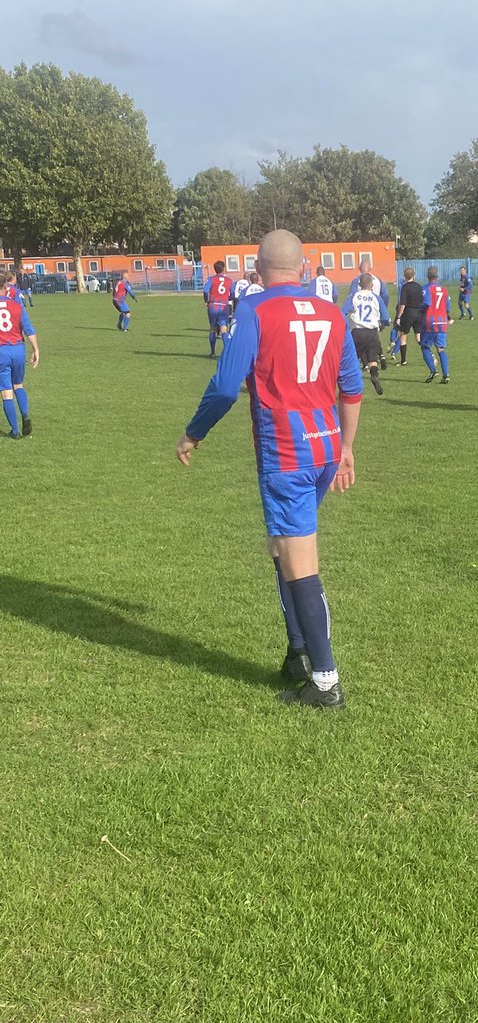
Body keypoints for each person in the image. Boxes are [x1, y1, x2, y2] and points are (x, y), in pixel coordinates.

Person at [176, 230, 364, 710]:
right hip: (325, 449)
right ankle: (298, 652)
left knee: (299, 562)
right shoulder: (331, 312)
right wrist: (346, 448)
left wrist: (194, 432)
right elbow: (352, 388)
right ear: (303, 269)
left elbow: (225, 387)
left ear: (258, 271)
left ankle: (325, 681)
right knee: (281, 547)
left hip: (287, 454)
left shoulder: (254, 309)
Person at [0, 283, 39, 438]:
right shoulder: (16, 305)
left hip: (1, 351)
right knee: (18, 384)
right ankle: (25, 415)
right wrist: (36, 349)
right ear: (5, 288)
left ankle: (15, 431)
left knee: (6, 391)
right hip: (18, 349)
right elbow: (28, 329)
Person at [342, 272, 390, 396]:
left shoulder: (354, 296)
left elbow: (342, 312)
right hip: (372, 333)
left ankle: (349, 386)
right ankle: (374, 375)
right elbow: (386, 318)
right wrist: (382, 325)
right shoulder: (376, 298)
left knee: (352, 360)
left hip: (357, 332)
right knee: (372, 360)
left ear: (359, 284)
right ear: (371, 285)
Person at [420, 266, 453, 383]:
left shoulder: (426, 288)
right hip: (442, 321)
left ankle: (433, 371)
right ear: (437, 276)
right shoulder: (444, 290)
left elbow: (426, 303)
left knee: (424, 346)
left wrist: (419, 310)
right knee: (441, 348)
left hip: (430, 321)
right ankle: (446, 374)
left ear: (427, 276)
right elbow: (448, 308)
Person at [203, 260, 234, 358]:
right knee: (224, 328)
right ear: (223, 269)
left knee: (212, 328)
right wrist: (228, 299)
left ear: (215, 269)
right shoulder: (229, 280)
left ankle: (212, 352)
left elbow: (205, 291)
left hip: (213, 305)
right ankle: (227, 353)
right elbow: (233, 294)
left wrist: (206, 301)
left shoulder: (211, 279)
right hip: (224, 306)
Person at [394, 266, 423, 366]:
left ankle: (403, 361)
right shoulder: (419, 286)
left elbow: (402, 304)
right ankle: (430, 354)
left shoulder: (405, 287)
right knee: (418, 337)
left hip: (408, 313)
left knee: (403, 336)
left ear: (405, 276)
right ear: (414, 275)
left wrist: (399, 316)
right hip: (418, 313)